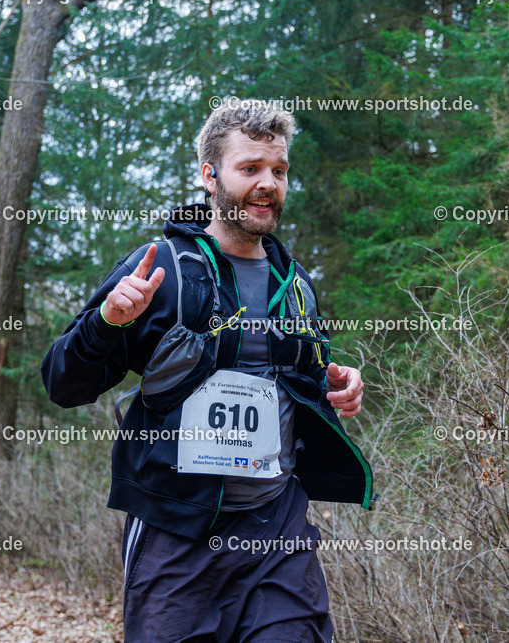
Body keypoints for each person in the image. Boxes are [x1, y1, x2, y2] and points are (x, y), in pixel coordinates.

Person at [41, 99, 375, 642]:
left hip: (275, 529)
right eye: (250, 169)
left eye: (279, 170)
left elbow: (299, 384)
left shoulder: (296, 286)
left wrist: (337, 385)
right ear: (209, 175)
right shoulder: (162, 268)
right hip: (178, 531)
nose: (268, 183)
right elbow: (62, 382)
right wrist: (105, 322)